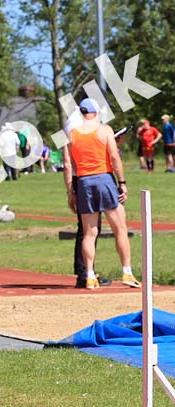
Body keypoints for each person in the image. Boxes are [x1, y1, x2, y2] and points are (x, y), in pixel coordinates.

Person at [63, 98, 140, 289]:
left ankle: (89, 275)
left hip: (84, 181)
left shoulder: (71, 134)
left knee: (89, 232)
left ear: (81, 113)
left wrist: (70, 191)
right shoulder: (105, 130)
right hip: (104, 179)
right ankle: (127, 272)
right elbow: (114, 157)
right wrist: (122, 182)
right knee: (119, 228)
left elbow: (67, 165)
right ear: (96, 112)